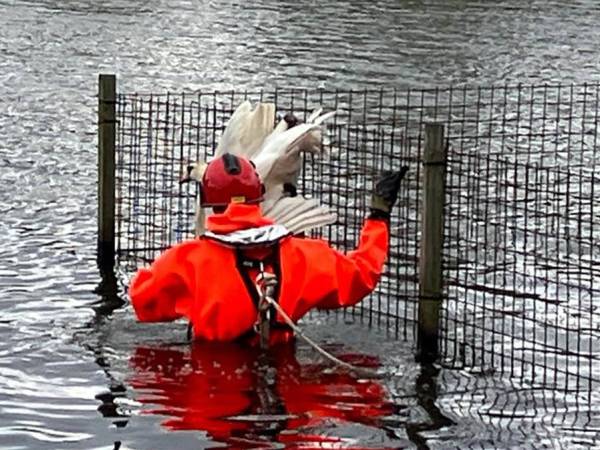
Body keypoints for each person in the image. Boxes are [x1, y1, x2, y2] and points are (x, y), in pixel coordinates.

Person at [128, 152, 408, 344]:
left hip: (214, 393)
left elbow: (144, 303)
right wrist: (378, 215)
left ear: (208, 201)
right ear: (259, 197)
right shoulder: (305, 255)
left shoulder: (186, 260)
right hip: (286, 389)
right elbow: (362, 275)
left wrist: (171, 291)